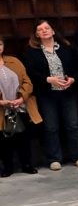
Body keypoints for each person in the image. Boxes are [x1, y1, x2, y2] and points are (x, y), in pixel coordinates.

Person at [22, 20, 78, 170]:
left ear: (53, 31)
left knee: (73, 125)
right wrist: (48, 79)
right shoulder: (31, 52)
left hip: (68, 92)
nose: (44, 31)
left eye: (47, 28)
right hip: (47, 94)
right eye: (40, 29)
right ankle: (54, 158)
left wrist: (73, 79)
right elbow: (30, 73)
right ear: (36, 34)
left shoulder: (66, 48)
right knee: (51, 127)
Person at [0, 35, 40, 177]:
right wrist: (2, 102)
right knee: (4, 140)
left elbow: (27, 81)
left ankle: (26, 164)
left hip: (20, 105)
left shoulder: (14, 61)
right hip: (2, 109)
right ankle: (8, 167)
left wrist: (22, 97)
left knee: (24, 137)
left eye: (0, 44)